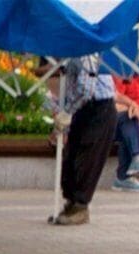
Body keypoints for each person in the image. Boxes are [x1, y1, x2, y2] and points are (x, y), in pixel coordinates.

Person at [47, 52, 122, 224]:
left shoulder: (85, 49)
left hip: (98, 108)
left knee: (87, 158)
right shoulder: (69, 50)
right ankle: (71, 203)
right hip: (83, 107)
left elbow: (85, 89)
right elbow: (71, 86)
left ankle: (80, 207)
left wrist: (67, 112)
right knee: (71, 156)